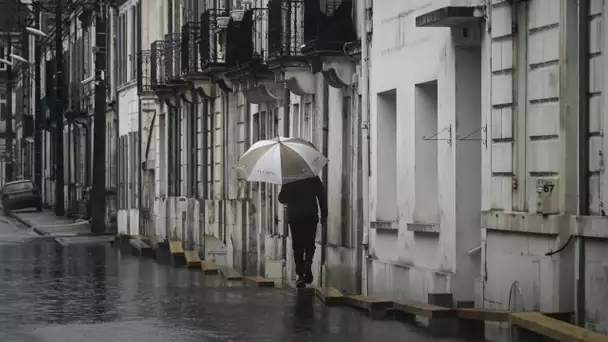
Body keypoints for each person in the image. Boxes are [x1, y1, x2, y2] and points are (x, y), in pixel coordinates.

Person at [278, 175, 328, 288]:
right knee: (310, 243)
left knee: (297, 246)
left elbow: (281, 198)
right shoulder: (313, 176)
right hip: (310, 215)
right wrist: (324, 213)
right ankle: (308, 263)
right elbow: (321, 195)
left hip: (295, 216)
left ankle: (300, 275)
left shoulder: (289, 178)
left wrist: (287, 188)